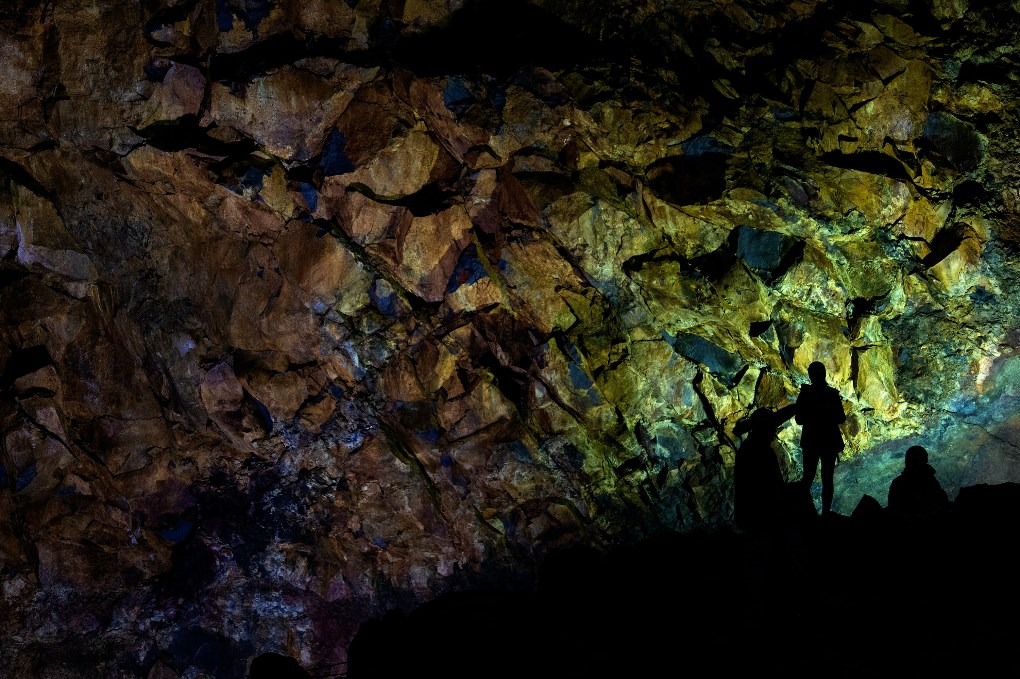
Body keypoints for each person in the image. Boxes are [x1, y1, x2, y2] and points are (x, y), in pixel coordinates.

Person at [795, 361, 845, 516]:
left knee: (808, 477)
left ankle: (804, 513)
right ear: (824, 374)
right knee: (827, 478)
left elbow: (799, 419)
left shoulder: (805, 394)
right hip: (829, 440)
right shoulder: (832, 394)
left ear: (811, 376)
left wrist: (813, 414)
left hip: (811, 441)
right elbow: (841, 418)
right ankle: (825, 513)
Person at [734, 408, 785, 533]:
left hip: (749, 516)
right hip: (761, 516)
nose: (774, 432)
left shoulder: (747, 448)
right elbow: (773, 486)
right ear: (764, 428)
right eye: (772, 427)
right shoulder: (762, 452)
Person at [887, 445, 950, 521]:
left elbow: (895, 512)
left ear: (907, 461)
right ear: (926, 460)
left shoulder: (898, 483)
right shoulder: (931, 481)